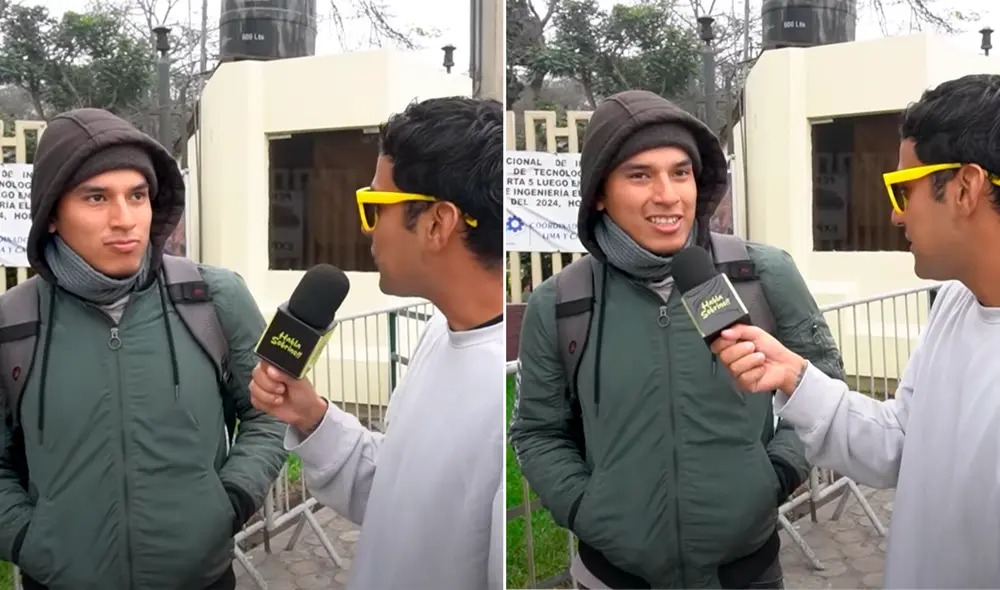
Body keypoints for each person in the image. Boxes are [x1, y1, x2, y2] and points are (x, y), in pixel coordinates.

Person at [508, 90, 846, 589]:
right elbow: (537, 431)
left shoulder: (762, 274)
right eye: (640, 175)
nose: (667, 195)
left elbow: (823, 383)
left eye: (680, 172)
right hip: (613, 575)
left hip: (746, 573)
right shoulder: (560, 301)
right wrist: (585, 507)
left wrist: (775, 475)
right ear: (599, 192)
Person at [711, 73, 1000, 589]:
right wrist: (794, 376)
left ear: (964, 188)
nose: (893, 214)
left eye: (901, 189)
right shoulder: (955, 301)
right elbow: (902, 443)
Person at [0, 108, 288, 589]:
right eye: (96, 197)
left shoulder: (212, 297)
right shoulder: (13, 321)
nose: (125, 219)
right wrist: (30, 538)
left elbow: (269, 413)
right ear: (51, 214)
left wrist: (231, 499)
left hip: (200, 577)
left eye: (137, 196)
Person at [248, 96, 504, 590]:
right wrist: (313, 417)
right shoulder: (439, 332)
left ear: (437, 223)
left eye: (372, 206)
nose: (364, 229)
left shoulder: (509, 399)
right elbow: (398, 494)